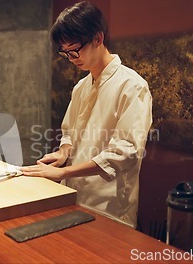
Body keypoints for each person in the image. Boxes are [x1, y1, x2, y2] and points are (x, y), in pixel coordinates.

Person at [19, 1, 152, 228]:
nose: (71, 58)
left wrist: (62, 171)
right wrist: (63, 153)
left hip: (109, 205)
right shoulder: (81, 86)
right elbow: (69, 133)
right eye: (65, 52)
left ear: (98, 39)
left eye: (74, 50)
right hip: (73, 196)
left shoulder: (132, 86)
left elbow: (125, 153)